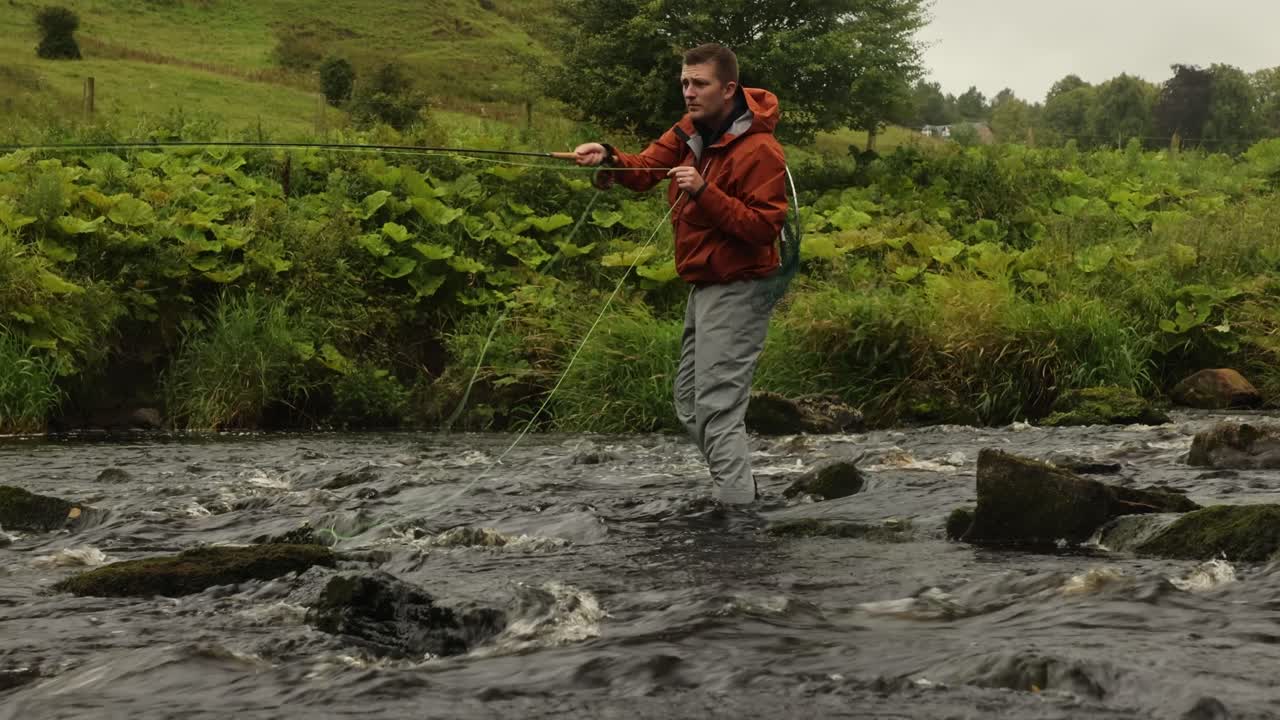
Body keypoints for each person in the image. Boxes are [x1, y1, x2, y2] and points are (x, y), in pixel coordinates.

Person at [574, 43, 789, 505]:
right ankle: (741, 494)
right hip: (705, 285)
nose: (689, 93)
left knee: (716, 407)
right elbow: (645, 168)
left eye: (700, 84)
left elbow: (763, 228)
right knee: (690, 402)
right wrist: (608, 157)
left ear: (728, 88)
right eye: (685, 83)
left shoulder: (762, 150)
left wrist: (705, 192)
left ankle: (739, 521)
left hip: (741, 287)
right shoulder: (690, 130)